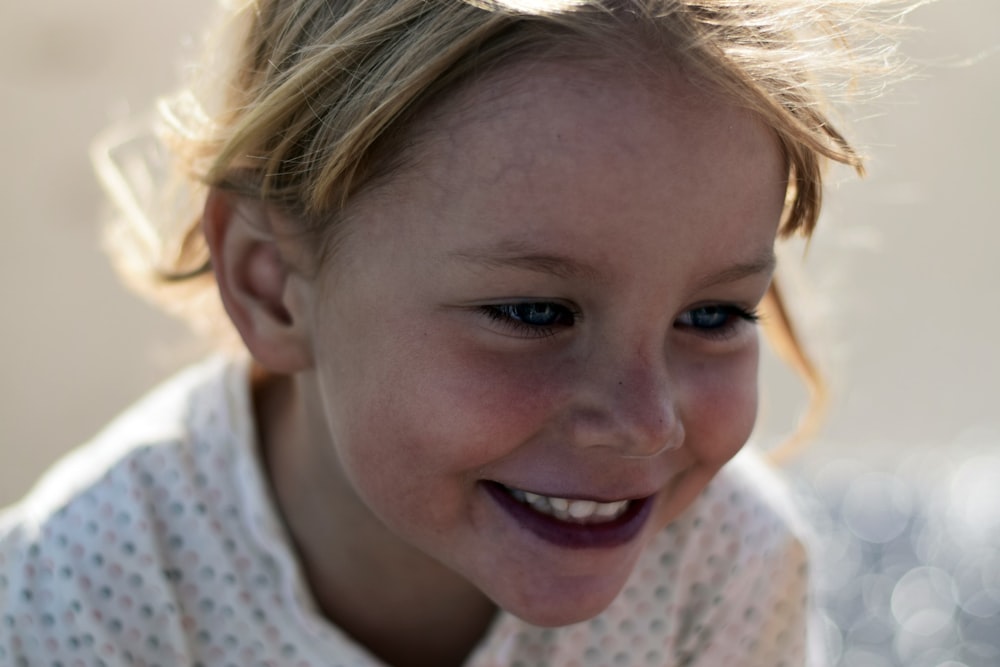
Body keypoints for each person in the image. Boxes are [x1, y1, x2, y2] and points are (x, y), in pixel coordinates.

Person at [0, 1, 905, 664]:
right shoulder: (83, 592)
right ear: (273, 284)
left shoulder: (728, 570)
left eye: (711, 316)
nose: (645, 422)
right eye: (534, 314)